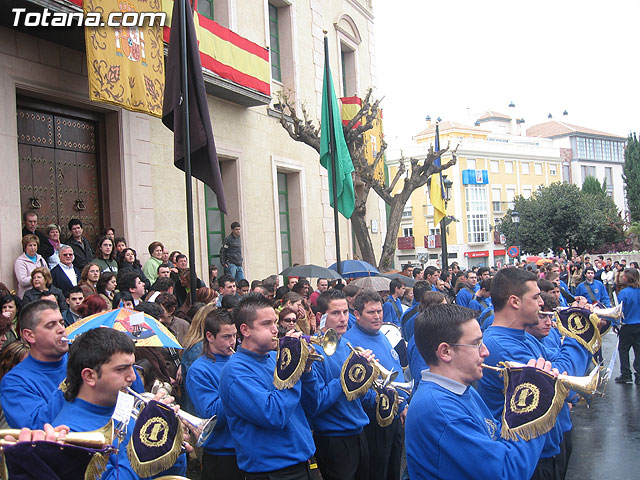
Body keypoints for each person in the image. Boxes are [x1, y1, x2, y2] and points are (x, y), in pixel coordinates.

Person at [405, 303, 549, 480]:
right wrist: (536, 402)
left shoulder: (463, 389)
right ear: (445, 351)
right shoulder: (440, 410)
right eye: (477, 344)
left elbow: (496, 435)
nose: (486, 352)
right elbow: (507, 473)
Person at [477, 268, 592, 479]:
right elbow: (560, 377)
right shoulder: (501, 347)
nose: (541, 303)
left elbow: (557, 362)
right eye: (536, 296)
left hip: (548, 448)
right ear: (515, 301)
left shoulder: (524, 336)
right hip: (535, 458)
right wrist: (578, 329)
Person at [52, 327, 187, 479]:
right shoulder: (70, 434)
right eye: (121, 369)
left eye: (132, 366)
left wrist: (169, 446)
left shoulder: (123, 405)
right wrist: (145, 444)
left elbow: (167, 474)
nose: (133, 377)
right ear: (90, 376)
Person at [219, 294, 317, 478]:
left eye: (275, 322)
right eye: (266, 324)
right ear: (245, 330)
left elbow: (312, 407)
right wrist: (291, 369)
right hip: (272, 471)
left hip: (303, 462)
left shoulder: (275, 358)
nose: (275, 329)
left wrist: (307, 371)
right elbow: (274, 415)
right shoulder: (235, 371)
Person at [343, 290, 407, 480]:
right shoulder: (350, 342)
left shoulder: (382, 335)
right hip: (375, 422)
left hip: (394, 415)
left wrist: (403, 405)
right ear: (357, 314)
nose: (377, 316)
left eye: (379, 311)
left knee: (393, 470)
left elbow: (396, 369)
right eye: (371, 312)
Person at [308, 289, 371, 480]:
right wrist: (346, 377)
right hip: (333, 438)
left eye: (345, 312)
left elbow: (358, 396)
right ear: (321, 316)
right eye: (336, 313)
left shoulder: (347, 344)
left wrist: (366, 379)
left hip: (358, 432)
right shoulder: (314, 351)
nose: (343, 318)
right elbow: (316, 404)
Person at [186, 309, 242, 480]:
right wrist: (237, 383)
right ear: (210, 336)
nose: (232, 342)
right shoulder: (199, 370)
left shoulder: (239, 359)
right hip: (222, 454)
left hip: (246, 448)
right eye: (226, 337)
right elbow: (213, 416)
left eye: (234, 336)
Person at [0, 300, 67, 428]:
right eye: (51, 325)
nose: (61, 330)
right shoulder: (14, 381)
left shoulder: (77, 359)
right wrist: (73, 378)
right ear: (30, 335)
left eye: (62, 323)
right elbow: (35, 425)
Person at [615, 268, 640, 384]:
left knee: (623, 350)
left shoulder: (623, 293)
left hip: (627, 325)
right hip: (638, 325)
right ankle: (639, 374)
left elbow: (619, 312)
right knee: (638, 350)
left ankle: (626, 374)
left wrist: (614, 324)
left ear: (628, 278)